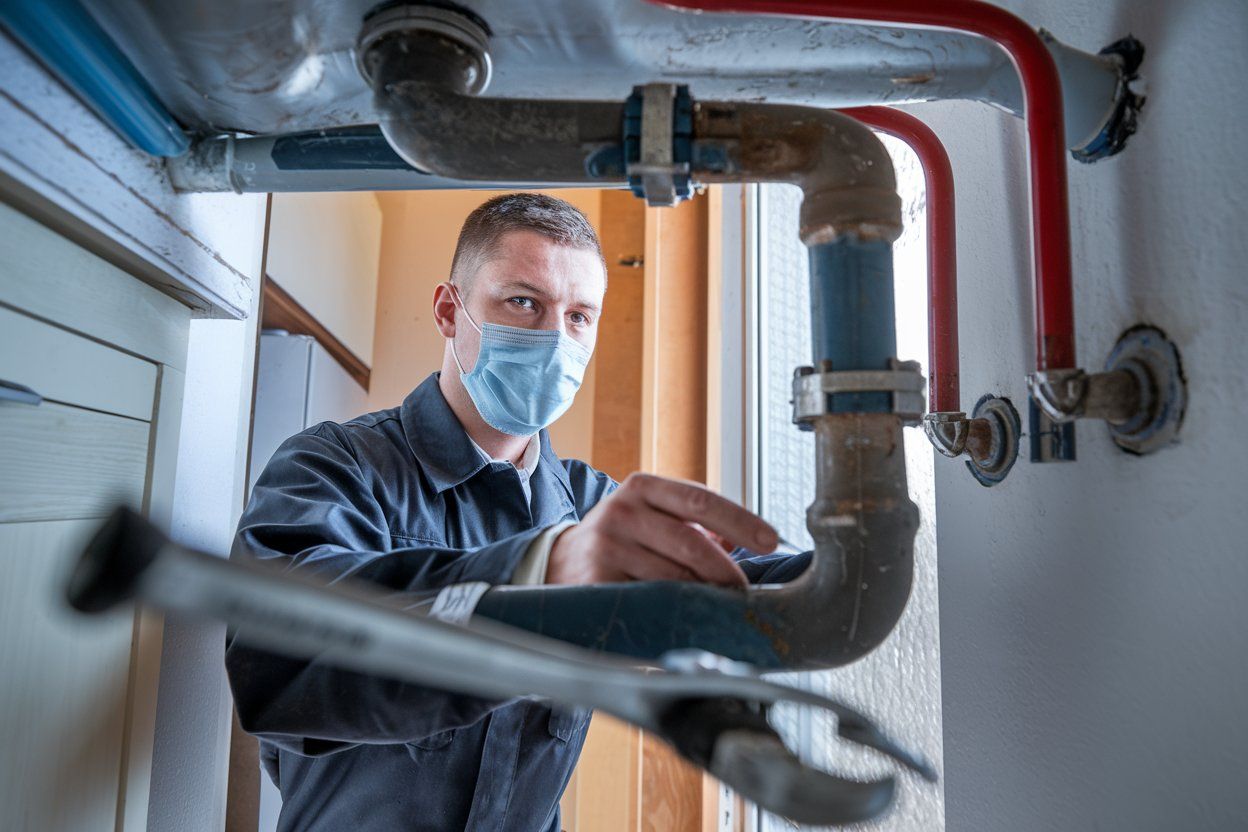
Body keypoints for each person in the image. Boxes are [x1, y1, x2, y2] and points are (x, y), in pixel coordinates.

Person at [226, 193, 805, 831]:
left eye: (580, 315)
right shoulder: (334, 467)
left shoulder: (596, 507)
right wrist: (541, 572)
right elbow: (276, 668)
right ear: (450, 310)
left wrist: (876, 552)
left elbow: (763, 588)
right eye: (523, 302)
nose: (555, 338)